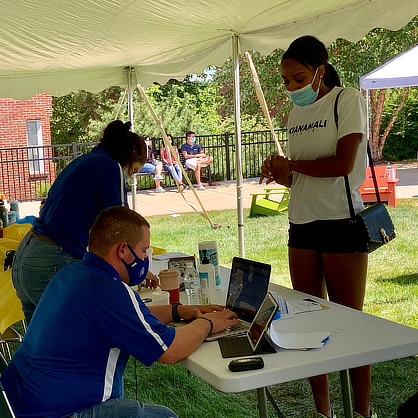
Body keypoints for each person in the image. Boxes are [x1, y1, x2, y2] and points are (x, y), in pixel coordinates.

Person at [1, 206, 239, 418]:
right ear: (123, 250)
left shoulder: (72, 274)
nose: (145, 258)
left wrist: (179, 311)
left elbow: (127, 317)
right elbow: (171, 351)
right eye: (144, 251)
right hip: (60, 411)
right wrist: (208, 322)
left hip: (18, 402)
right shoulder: (107, 290)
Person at [260, 36, 373, 418]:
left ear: (319, 70)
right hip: (302, 224)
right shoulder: (295, 114)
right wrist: (282, 174)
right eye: (286, 81)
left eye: (298, 77)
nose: (291, 87)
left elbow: (343, 164)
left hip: (341, 222)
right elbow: (302, 179)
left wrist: (294, 167)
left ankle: (362, 412)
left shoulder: (348, 99)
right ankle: (322, 412)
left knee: (350, 322)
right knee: (311, 323)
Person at [11, 120, 150, 325]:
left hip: (27, 257)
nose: (131, 176)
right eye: (134, 170)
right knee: (79, 339)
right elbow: (121, 225)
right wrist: (136, 264)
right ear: (130, 158)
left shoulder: (85, 161)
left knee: (42, 346)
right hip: (52, 258)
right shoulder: (109, 167)